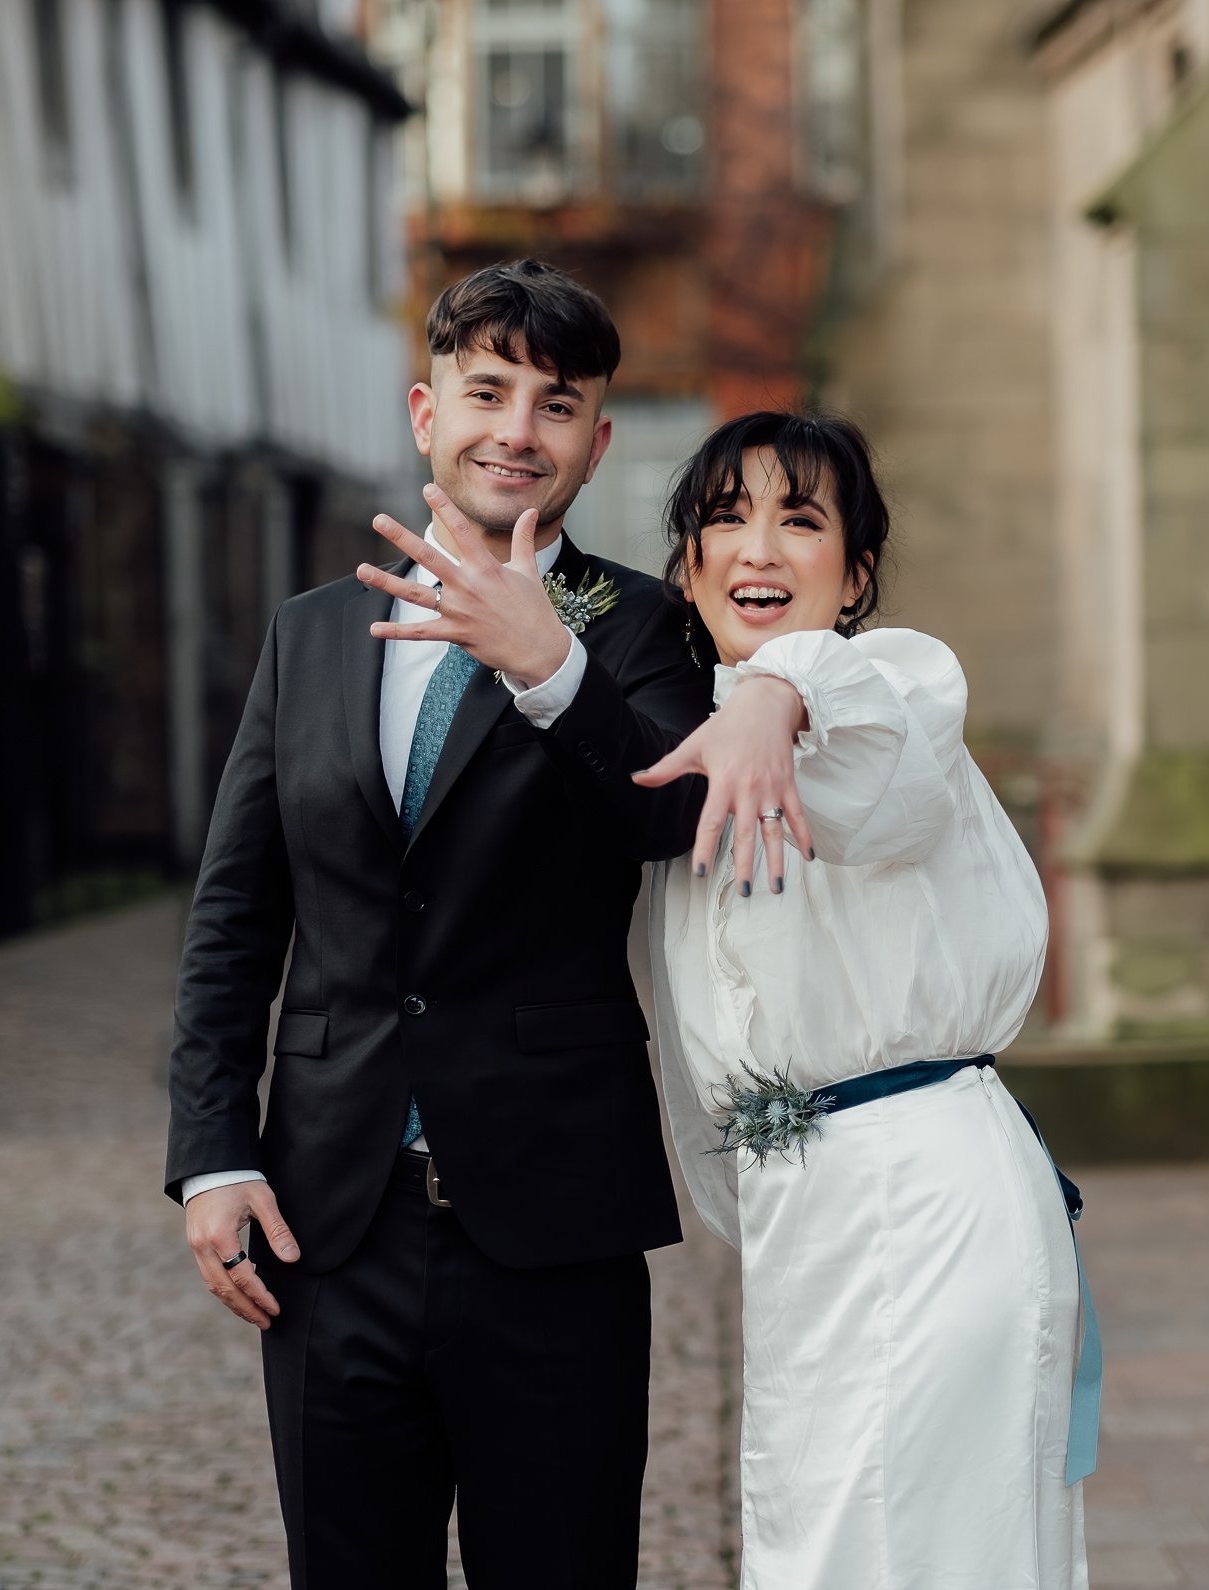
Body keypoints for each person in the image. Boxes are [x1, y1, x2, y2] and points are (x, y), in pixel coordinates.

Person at [164, 260, 718, 1589]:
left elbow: (666, 818)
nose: (516, 429)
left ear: (593, 443)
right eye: (488, 391)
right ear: (426, 412)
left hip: (551, 1225)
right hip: (326, 1220)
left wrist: (548, 666)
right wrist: (210, 1152)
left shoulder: (638, 626)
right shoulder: (309, 636)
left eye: (557, 403)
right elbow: (238, 909)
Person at [632, 410, 1096, 1589]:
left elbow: (863, 763)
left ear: (857, 575)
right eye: (725, 520)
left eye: (801, 521)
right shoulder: (685, 768)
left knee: (903, 1547)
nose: (759, 550)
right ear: (685, 569)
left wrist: (774, 693)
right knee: (819, 1540)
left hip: (924, 1188)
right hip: (812, 1219)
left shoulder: (890, 689)